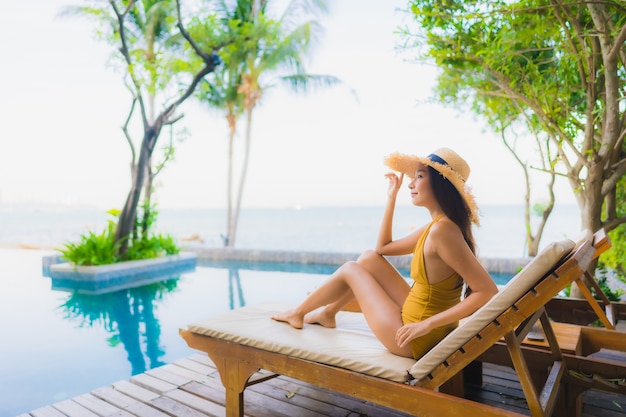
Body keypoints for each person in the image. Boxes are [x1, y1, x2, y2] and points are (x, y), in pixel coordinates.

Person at [272, 148, 498, 359]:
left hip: (414, 337)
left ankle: (298, 312)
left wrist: (426, 325)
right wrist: (391, 198)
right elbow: (383, 249)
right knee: (368, 258)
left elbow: (487, 291)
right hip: (418, 320)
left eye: (419, 176)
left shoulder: (443, 231)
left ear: (441, 184)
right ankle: (328, 313)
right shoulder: (437, 226)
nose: (411, 184)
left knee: (351, 269)